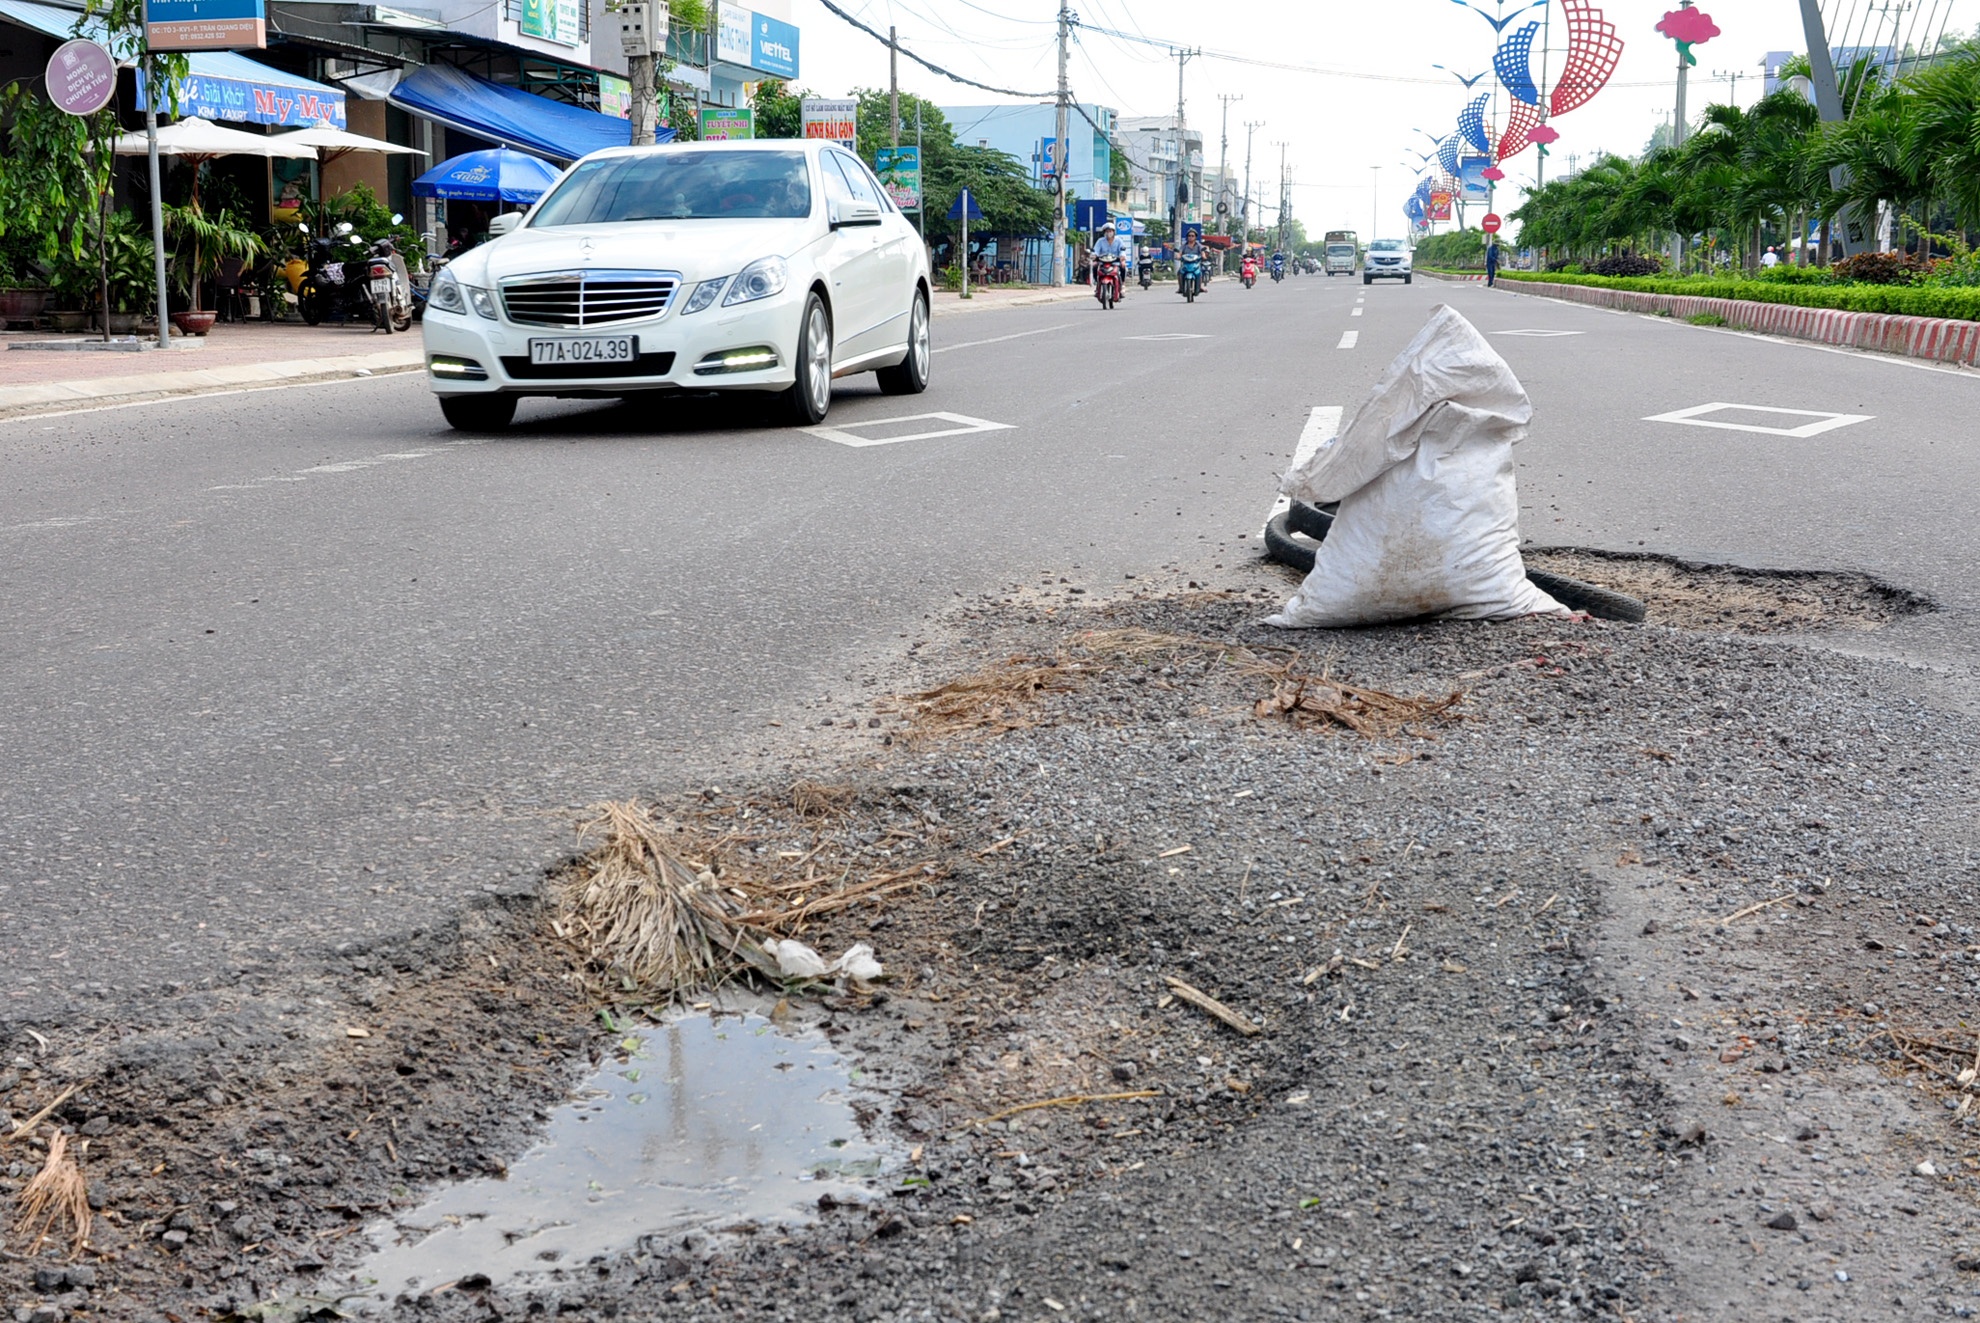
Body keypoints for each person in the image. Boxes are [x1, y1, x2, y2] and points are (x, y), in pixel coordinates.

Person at [1091, 221, 1128, 298]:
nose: (1109, 233)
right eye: (1107, 231)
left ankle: (1122, 285)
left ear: (1114, 232)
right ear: (1104, 232)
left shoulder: (1119, 240)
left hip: (1115, 262)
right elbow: (1096, 250)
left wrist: (1122, 256)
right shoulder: (1100, 241)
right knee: (1094, 265)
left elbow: (1122, 250)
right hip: (1103, 262)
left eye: (1110, 231)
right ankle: (1096, 283)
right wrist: (1094, 255)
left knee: (1123, 265)